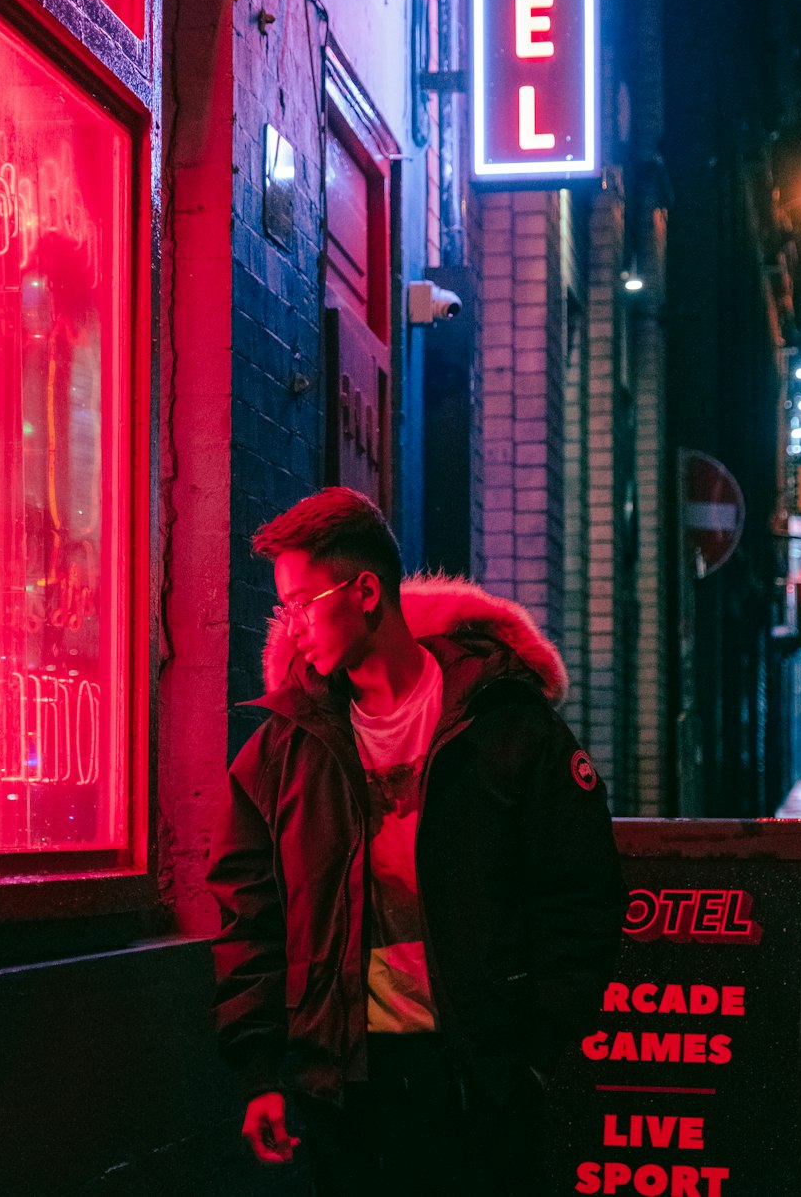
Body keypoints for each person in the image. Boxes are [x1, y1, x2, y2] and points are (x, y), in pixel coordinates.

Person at [207, 488, 628, 1194]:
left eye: (302, 601)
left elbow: (579, 894)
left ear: (364, 590)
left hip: (479, 1080)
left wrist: (534, 1050)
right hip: (343, 1083)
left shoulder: (503, 725)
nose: (291, 624)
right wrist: (260, 1073)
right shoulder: (283, 751)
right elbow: (249, 916)